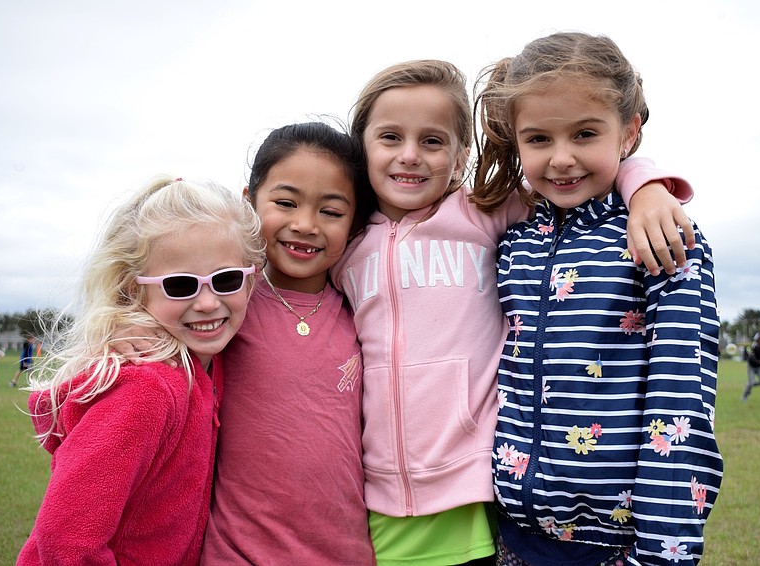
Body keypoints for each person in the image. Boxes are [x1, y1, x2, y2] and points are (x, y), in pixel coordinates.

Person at [330, 58, 698, 565]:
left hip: (481, 484)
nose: (410, 156)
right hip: (374, 488)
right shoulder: (342, 240)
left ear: (461, 155)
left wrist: (645, 185)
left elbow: (576, 182)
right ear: (362, 148)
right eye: (390, 137)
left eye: (433, 141)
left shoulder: (485, 211)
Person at [472, 32, 723, 565]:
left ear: (628, 132)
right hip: (510, 538)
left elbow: (681, 406)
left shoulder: (662, 236)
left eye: (585, 134)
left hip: (615, 547)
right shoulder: (512, 239)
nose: (561, 159)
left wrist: (662, 555)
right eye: (538, 139)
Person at [17, 176, 263, 565]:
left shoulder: (209, 365)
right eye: (180, 286)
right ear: (134, 291)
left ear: (252, 277)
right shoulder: (145, 390)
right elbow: (66, 542)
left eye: (226, 279)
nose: (206, 302)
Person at [200, 122, 376, 565]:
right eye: (285, 203)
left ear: (355, 223)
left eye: (331, 212)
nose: (305, 224)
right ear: (249, 203)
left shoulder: (364, 312)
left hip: (347, 554)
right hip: (236, 554)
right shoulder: (223, 307)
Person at [742, 332, 760, 400]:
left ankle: (748, 385)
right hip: (752, 367)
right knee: (750, 383)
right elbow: (752, 359)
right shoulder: (754, 347)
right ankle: (744, 396)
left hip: (759, 367)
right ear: (759, 340)